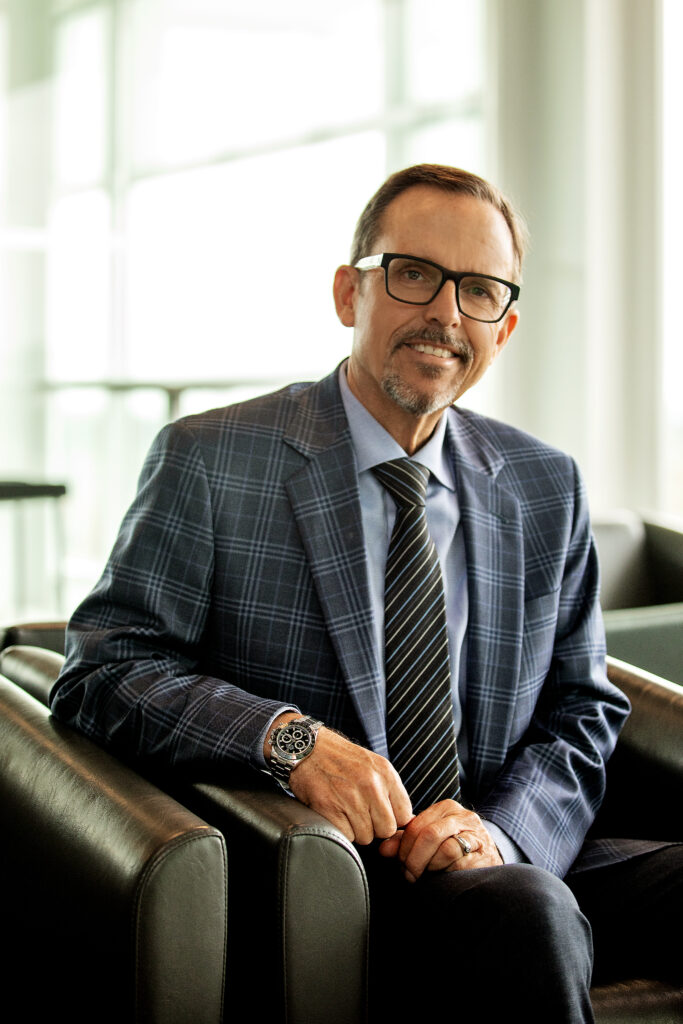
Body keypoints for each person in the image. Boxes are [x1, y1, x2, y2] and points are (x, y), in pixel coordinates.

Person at [50, 164, 681, 1021]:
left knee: (531, 897)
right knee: (524, 915)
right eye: (414, 274)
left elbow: (582, 709)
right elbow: (102, 671)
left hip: (500, 844)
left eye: (480, 290)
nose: (446, 314)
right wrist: (290, 741)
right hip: (321, 875)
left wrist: (497, 834)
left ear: (507, 325)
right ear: (350, 292)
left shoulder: (543, 483)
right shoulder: (212, 459)